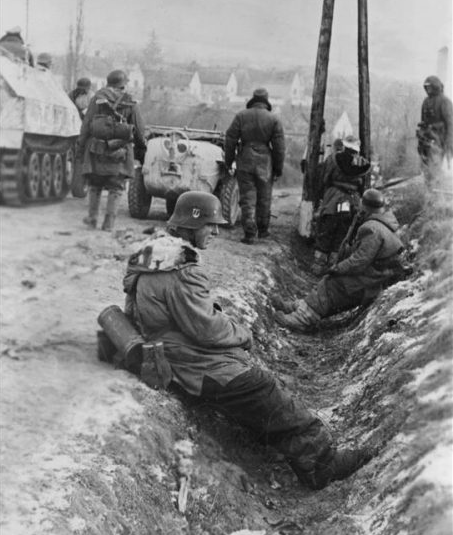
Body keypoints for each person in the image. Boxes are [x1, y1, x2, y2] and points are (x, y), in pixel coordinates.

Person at [117, 190, 372, 490]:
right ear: (190, 222)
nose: (215, 231)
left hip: (176, 353)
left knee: (258, 388)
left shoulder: (153, 256)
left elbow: (147, 313)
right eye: (210, 224)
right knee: (264, 387)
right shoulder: (183, 270)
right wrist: (242, 333)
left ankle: (280, 445)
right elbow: (207, 330)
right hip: (194, 364)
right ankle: (322, 466)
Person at [274, 189, 409, 334]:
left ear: (365, 207)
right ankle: (301, 306)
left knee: (332, 284)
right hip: (377, 276)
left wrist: (338, 268)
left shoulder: (372, 229)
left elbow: (359, 261)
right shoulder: (383, 223)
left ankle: (302, 319)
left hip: (373, 280)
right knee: (331, 281)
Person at [76, 69, 146, 231]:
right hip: (120, 153)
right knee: (116, 188)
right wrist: (142, 151)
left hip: (96, 150)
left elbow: (86, 126)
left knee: (95, 185)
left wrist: (80, 149)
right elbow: (140, 131)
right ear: (122, 85)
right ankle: (108, 224)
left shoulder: (97, 99)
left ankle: (92, 219)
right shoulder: (130, 102)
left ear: (108, 82)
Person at [224, 88, 285, 244]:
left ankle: (249, 232)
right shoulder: (274, 119)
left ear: (253, 100)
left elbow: (230, 139)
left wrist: (229, 161)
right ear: (266, 101)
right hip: (265, 163)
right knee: (264, 197)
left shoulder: (241, 116)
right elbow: (279, 148)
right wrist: (278, 169)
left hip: (245, 159)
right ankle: (263, 230)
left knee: (247, 198)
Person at [312, 135, 370, 275]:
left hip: (333, 199)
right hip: (352, 202)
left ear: (344, 145)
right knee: (343, 235)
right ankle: (334, 266)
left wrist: (320, 197)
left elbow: (325, 179)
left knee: (325, 232)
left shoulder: (332, 159)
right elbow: (364, 187)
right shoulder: (364, 163)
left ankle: (318, 266)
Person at [416, 76, 453, 186]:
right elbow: (423, 119)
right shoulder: (426, 102)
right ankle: (428, 188)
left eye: (430, 87)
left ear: (436, 87)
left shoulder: (445, 101)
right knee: (426, 165)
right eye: (426, 87)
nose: (428, 90)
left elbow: (450, 123)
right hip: (426, 139)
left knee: (436, 165)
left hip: (439, 139)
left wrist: (449, 141)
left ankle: (436, 190)